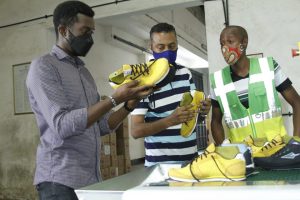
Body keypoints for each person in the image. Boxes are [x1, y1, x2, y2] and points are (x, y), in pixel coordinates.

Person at [26, 1, 154, 199]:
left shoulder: (83, 72)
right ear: (63, 30)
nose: (89, 38)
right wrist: (113, 99)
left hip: (90, 179)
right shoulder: (44, 67)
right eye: (84, 31)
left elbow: (103, 126)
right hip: (59, 181)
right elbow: (62, 125)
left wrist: (128, 104)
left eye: (91, 32)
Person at [131, 22, 211, 167]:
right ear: (151, 47)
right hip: (159, 168)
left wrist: (203, 112)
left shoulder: (185, 74)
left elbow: (193, 119)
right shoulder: (142, 82)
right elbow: (136, 131)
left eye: (172, 46)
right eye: (161, 47)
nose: (167, 51)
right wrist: (170, 120)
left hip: (191, 164)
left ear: (177, 45)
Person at [210, 25, 300, 145]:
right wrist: (225, 150)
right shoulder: (218, 80)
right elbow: (215, 121)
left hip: (275, 152)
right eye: (222, 44)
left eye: (230, 42)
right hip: (243, 158)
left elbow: (297, 103)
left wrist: (296, 143)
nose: (225, 48)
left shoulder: (268, 66)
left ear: (244, 42)